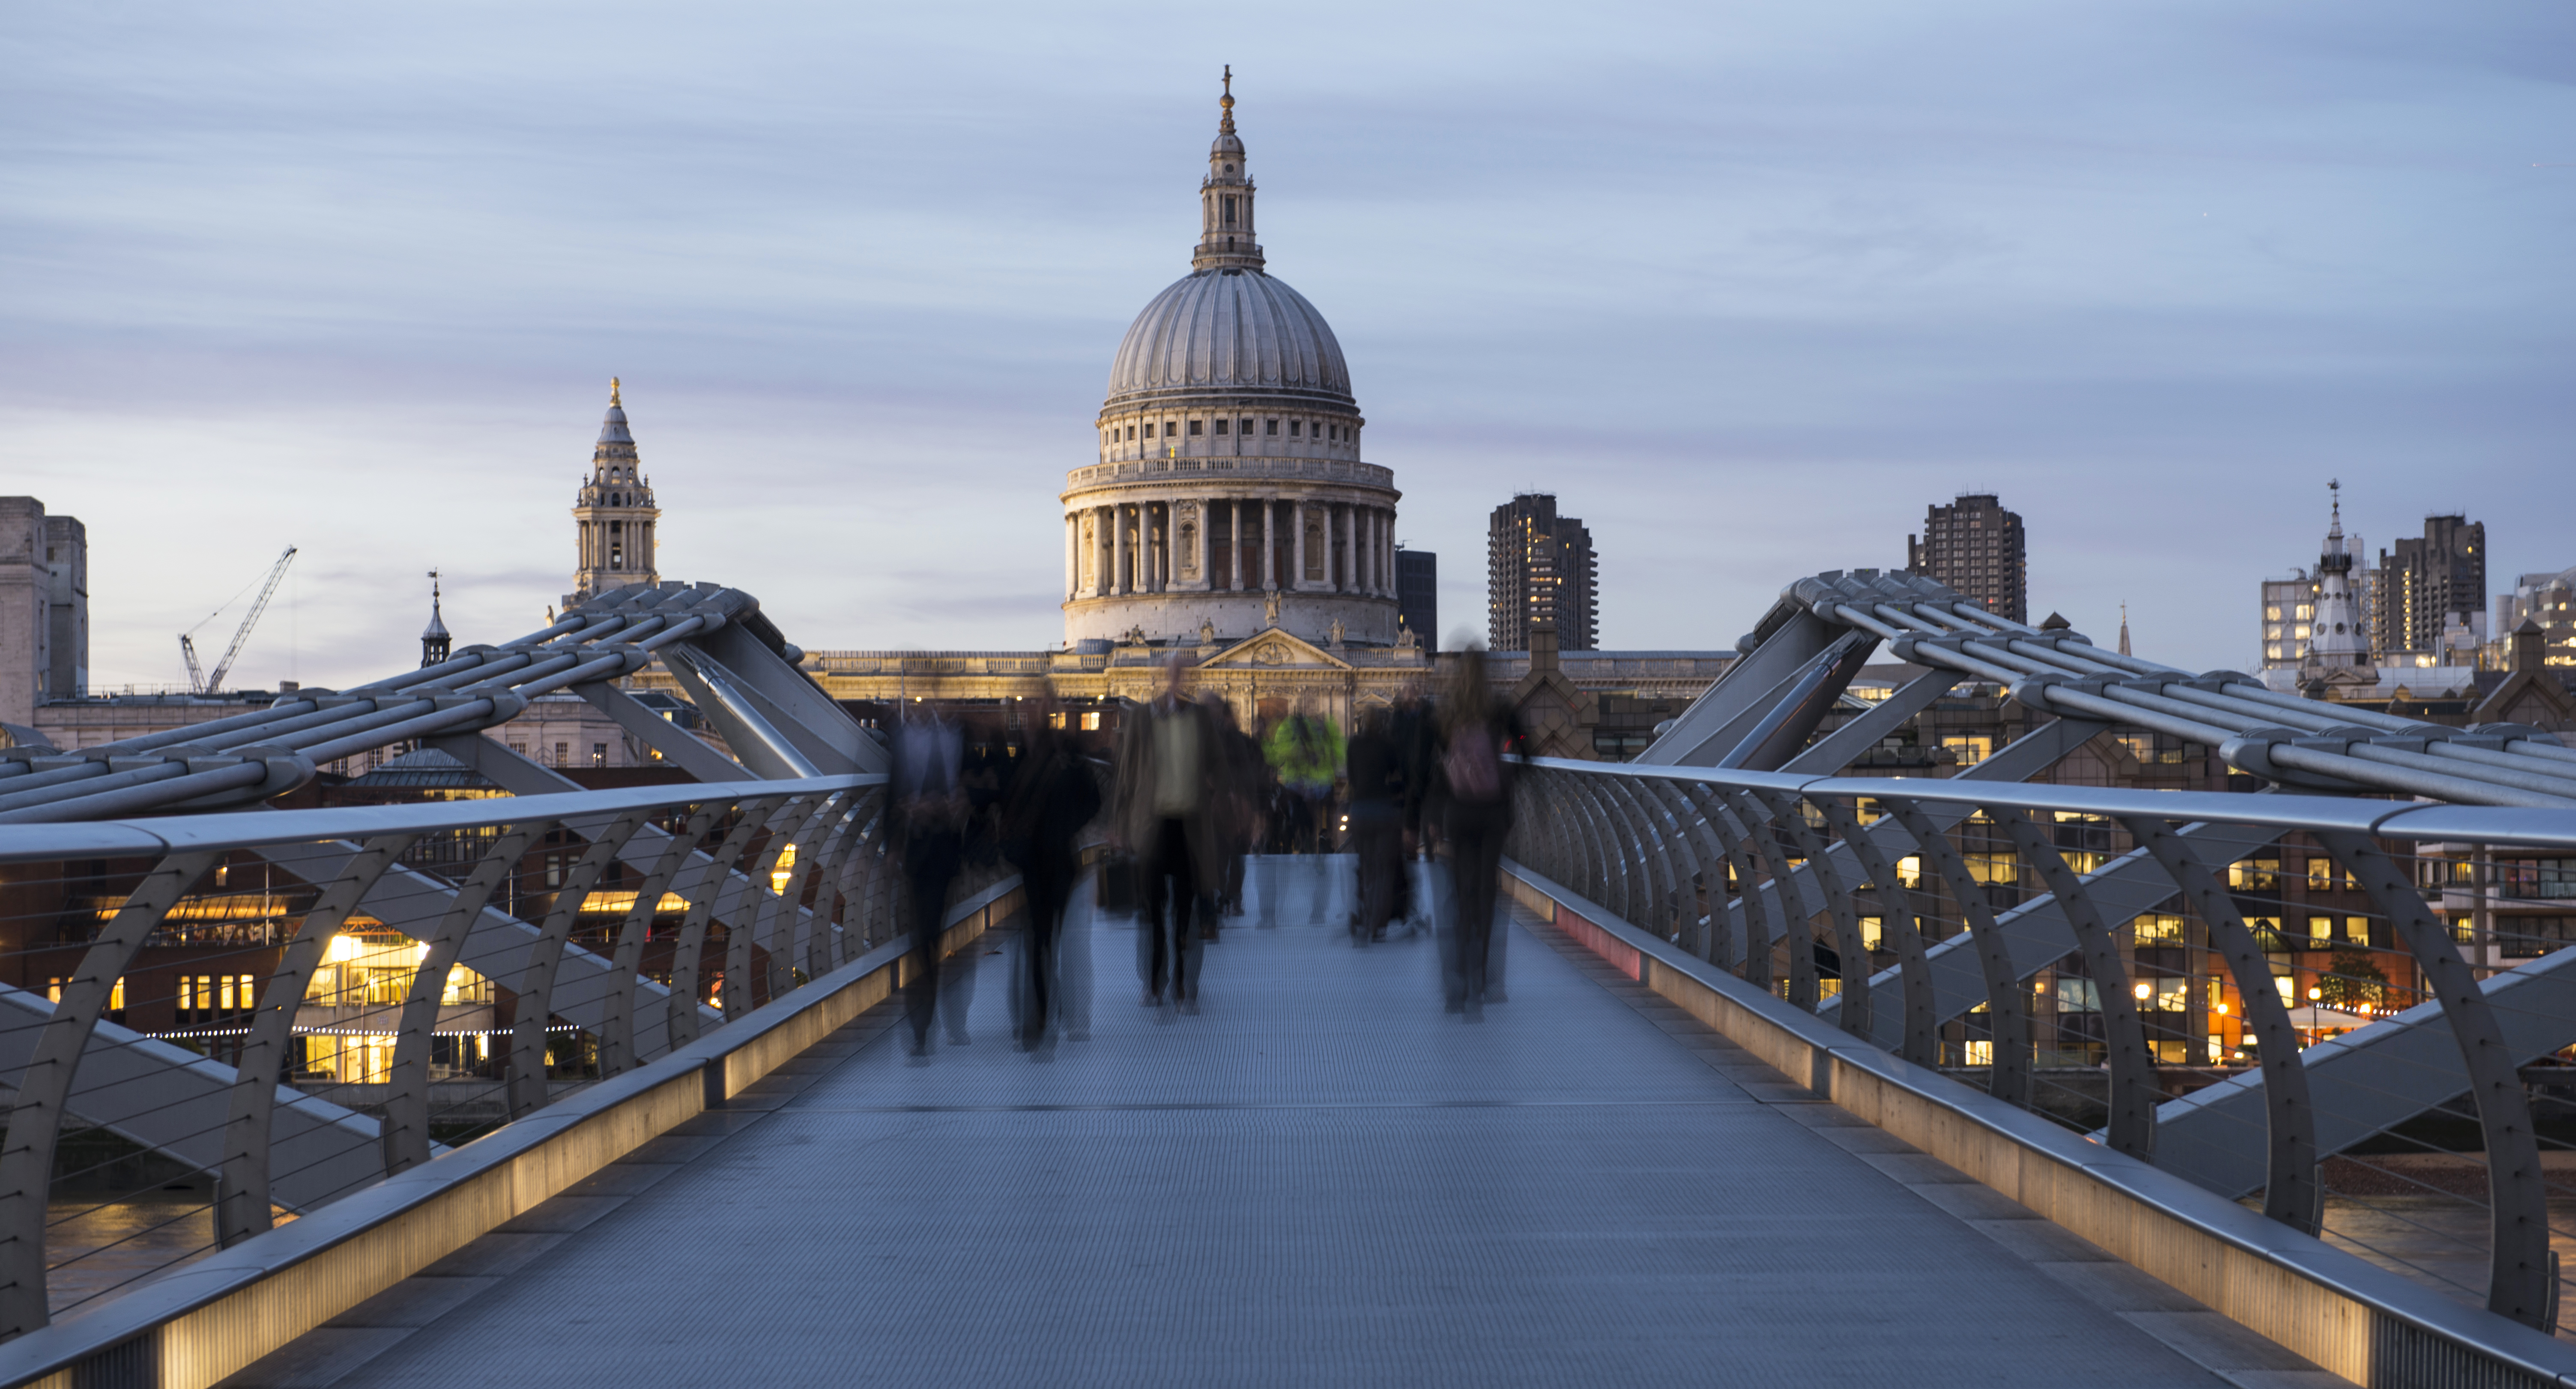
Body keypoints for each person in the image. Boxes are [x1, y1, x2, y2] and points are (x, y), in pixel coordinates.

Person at [1111, 656, 1223, 1012]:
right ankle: (1155, 984)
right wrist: (1119, 823)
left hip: (1189, 824)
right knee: (1153, 912)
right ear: (1160, 678)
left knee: (1185, 913)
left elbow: (1220, 767)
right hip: (1153, 825)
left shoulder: (1200, 718)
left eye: (1180, 673)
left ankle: (1182, 986)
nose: (1175, 679)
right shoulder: (1142, 719)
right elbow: (1127, 774)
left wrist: (1229, 797)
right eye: (1169, 673)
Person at [999, 694, 1101, 1051]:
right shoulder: (1021, 755)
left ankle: (1045, 1010)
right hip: (1032, 860)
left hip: (1058, 861)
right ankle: (1042, 1014)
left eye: (1033, 709)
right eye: (1024, 711)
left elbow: (1093, 799)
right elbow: (1003, 797)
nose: (1027, 716)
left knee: (1047, 939)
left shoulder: (1064, 751)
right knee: (1039, 939)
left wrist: (1065, 826)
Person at [1430, 648, 1523, 1016]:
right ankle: (1479, 980)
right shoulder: (1499, 708)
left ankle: (1456, 979)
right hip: (1492, 813)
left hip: (1459, 813)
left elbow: (1434, 768)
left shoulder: (1446, 711)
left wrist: (1432, 816)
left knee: (1460, 894)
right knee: (1487, 897)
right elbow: (1524, 752)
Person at [890, 703, 969, 1057]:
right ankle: (922, 1024)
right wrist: (893, 843)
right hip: (916, 849)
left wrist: (953, 805)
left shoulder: (956, 734)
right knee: (922, 938)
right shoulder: (902, 737)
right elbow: (893, 792)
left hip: (944, 850)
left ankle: (924, 1023)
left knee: (929, 937)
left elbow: (972, 786)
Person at [1262, 696, 1343, 923]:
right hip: (1301, 789)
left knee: (1314, 830)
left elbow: (1339, 753)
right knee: (1302, 823)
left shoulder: (1325, 728)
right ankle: (1305, 843)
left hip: (1315, 789)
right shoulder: (1290, 727)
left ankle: (1314, 843)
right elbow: (1276, 755)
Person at [1342, 706, 1404, 944]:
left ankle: (1367, 915)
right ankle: (1378, 925)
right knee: (1384, 872)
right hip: (1382, 811)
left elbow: (1352, 778)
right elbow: (1394, 773)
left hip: (1360, 811)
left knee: (1367, 867)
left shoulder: (1354, 745)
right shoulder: (1388, 744)